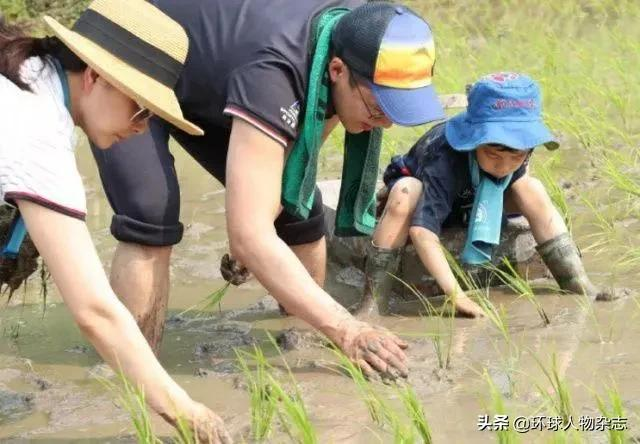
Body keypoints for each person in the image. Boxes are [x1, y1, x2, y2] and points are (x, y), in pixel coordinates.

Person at [91, 0, 445, 379]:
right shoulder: (276, 73)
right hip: (132, 50)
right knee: (151, 213)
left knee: (299, 212)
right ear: (338, 70)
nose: (385, 126)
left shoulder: (358, 33)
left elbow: (298, 163)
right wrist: (347, 326)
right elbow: (250, 236)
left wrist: (255, 225)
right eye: (378, 111)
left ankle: (300, 344)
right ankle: (134, 374)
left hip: (213, 72)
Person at [0, 0, 230, 441]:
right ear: (94, 76)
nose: (143, 128)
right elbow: (95, 311)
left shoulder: (27, 74)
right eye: (141, 109)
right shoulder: (35, 129)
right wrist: (187, 412)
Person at [363, 72, 612, 318]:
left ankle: (576, 282)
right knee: (406, 191)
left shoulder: (522, 152)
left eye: (516, 157)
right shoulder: (444, 157)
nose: (503, 166)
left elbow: (518, 178)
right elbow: (421, 231)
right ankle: (374, 302)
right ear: (473, 141)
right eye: (493, 155)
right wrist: (457, 295)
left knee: (531, 187)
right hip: (428, 199)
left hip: (474, 201)